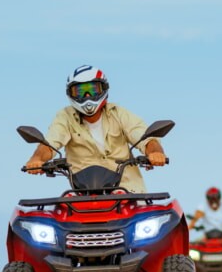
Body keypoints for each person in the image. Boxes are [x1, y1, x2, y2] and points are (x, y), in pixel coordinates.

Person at [24, 65, 167, 193]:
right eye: (80, 91)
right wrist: (36, 159)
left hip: (127, 191)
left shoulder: (118, 114)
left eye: (92, 90)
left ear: (103, 89)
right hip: (83, 194)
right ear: (70, 94)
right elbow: (50, 144)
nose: (87, 96)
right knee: (56, 216)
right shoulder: (65, 117)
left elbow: (145, 137)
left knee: (162, 217)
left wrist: (155, 152)